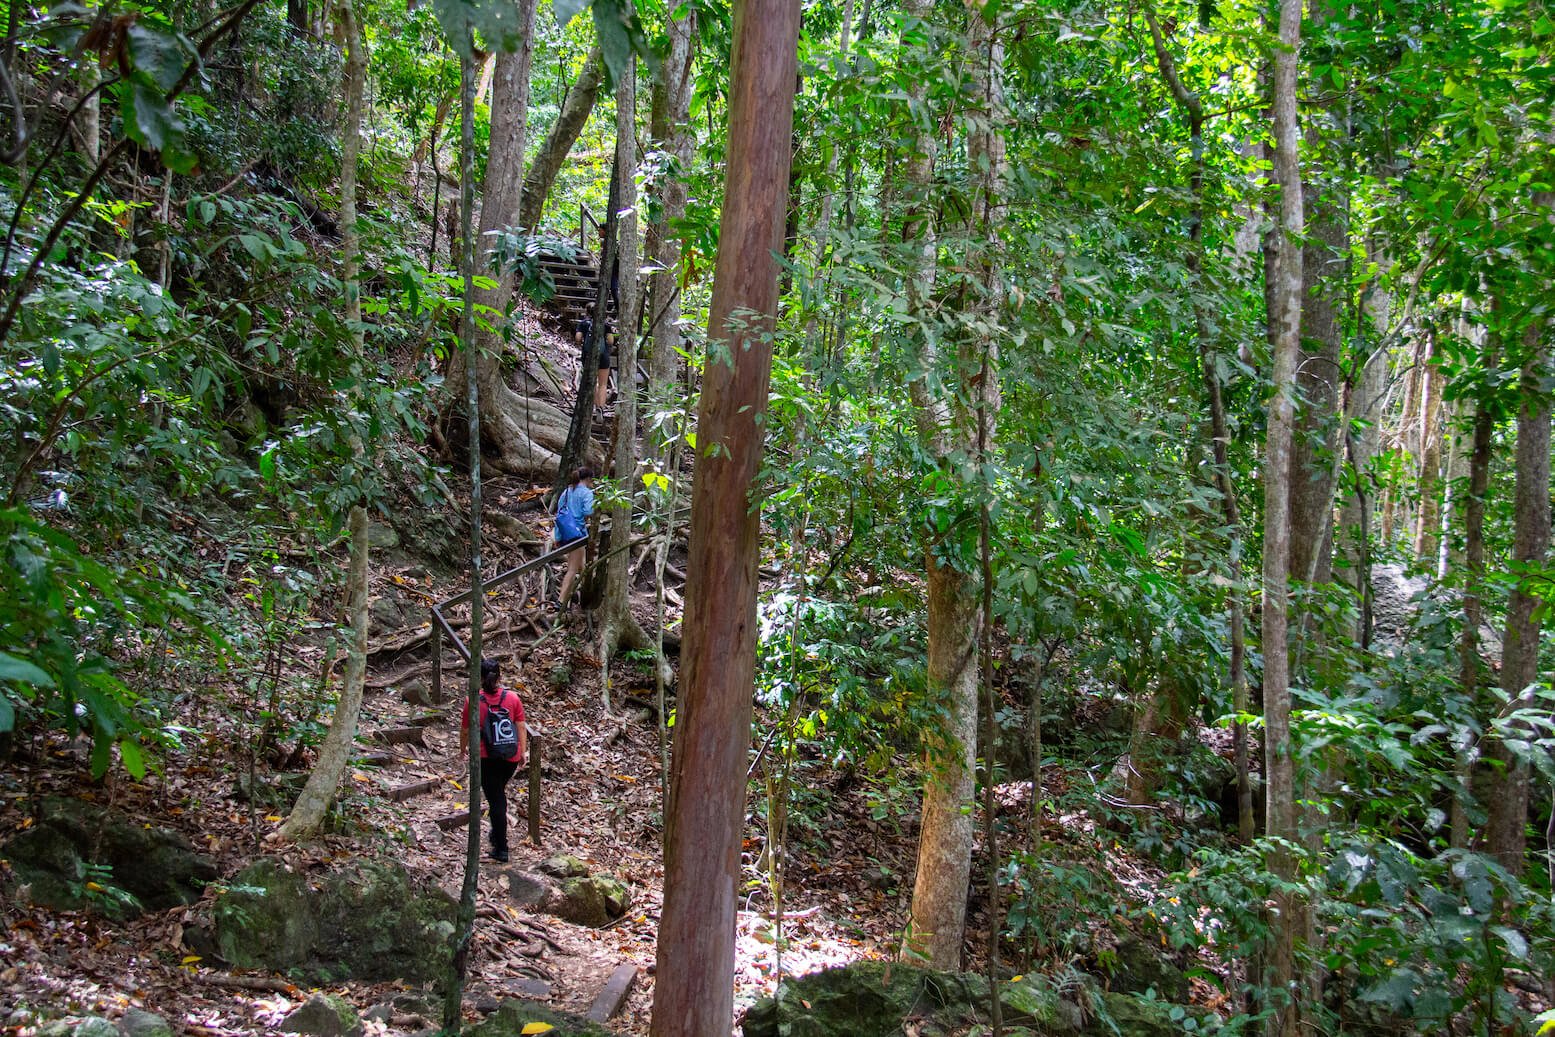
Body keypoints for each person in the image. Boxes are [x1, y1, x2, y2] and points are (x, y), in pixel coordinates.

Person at [458, 658, 527, 863]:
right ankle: (496, 835)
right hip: (509, 756)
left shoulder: (473, 700)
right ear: (499, 676)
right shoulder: (512, 698)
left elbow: (465, 730)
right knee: (497, 795)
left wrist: (462, 749)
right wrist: (522, 751)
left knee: (496, 799)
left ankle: (501, 847)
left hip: (486, 757)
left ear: (479, 677)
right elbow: (521, 725)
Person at [554, 466, 595, 611]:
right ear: (589, 479)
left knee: (582, 564)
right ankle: (561, 600)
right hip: (577, 535)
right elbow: (589, 510)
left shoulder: (566, 491)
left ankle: (584, 592)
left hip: (566, 533)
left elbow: (560, 514)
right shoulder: (587, 493)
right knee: (572, 568)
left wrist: (557, 536)